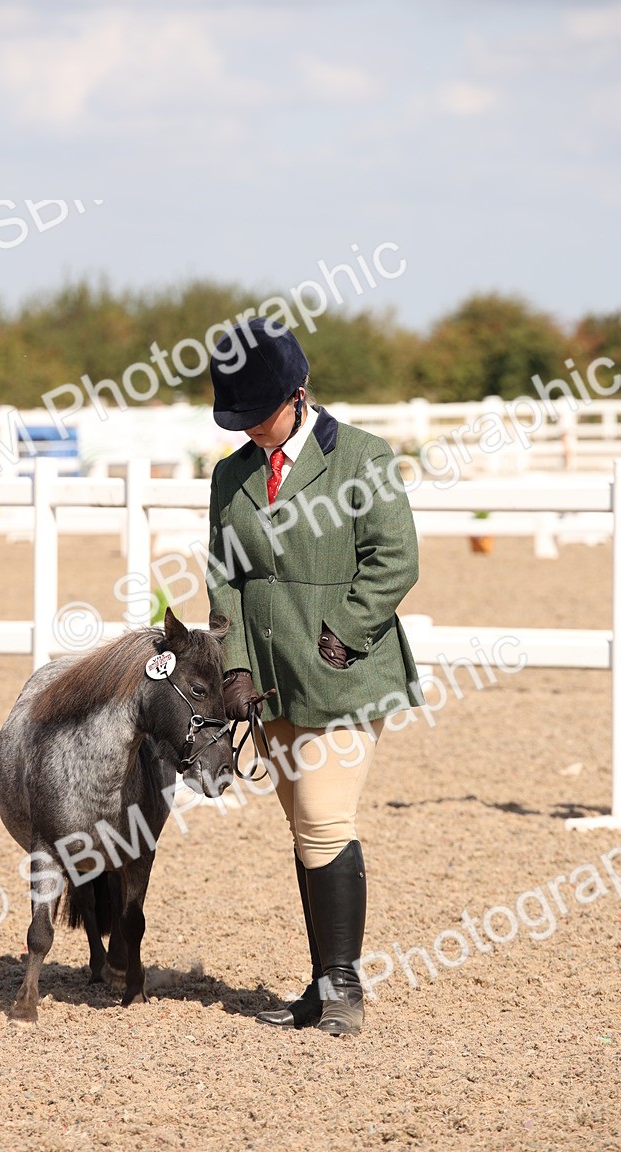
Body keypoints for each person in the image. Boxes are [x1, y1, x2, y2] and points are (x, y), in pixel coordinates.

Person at [206, 317, 422, 1037]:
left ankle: (345, 994)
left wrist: (345, 633)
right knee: (305, 829)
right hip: (268, 681)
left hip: (343, 671)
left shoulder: (363, 459)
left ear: (299, 394)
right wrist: (234, 664)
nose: (251, 430)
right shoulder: (231, 474)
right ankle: (322, 985)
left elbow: (395, 558)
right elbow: (224, 575)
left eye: (259, 415)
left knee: (326, 819)